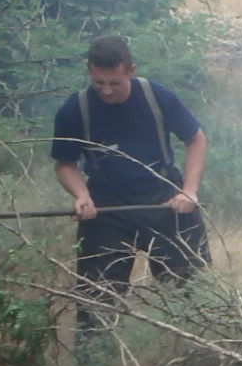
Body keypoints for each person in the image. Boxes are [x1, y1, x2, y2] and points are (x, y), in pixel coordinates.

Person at [50, 36, 210, 331]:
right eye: (99, 83)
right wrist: (81, 195)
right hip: (106, 208)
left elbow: (196, 140)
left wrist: (189, 191)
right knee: (96, 301)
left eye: (114, 82)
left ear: (131, 70)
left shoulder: (158, 97)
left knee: (189, 296)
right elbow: (65, 165)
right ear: (89, 71)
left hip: (165, 200)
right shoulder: (75, 109)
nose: (106, 91)